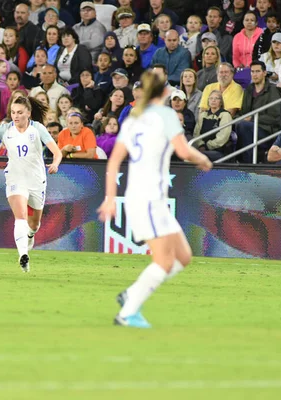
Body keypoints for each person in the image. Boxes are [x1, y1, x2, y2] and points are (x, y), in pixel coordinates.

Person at [97, 70, 212, 328]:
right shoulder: (166, 115)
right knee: (164, 260)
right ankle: (127, 313)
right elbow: (183, 150)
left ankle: (132, 294)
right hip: (149, 197)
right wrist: (202, 158)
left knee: (183, 257)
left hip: (146, 197)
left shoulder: (133, 120)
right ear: (164, 92)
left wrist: (111, 198)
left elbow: (114, 160)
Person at [0, 96, 62, 272]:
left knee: (34, 224)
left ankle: (30, 235)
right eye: (13, 112)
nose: (16, 116)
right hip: (15, 179)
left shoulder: (37, 129)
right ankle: (23, 255)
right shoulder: (6, 129)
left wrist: (55, 163)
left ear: (28, 113)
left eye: (20, 112)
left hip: (36, 180)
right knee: (20, 216)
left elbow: (57, 152)